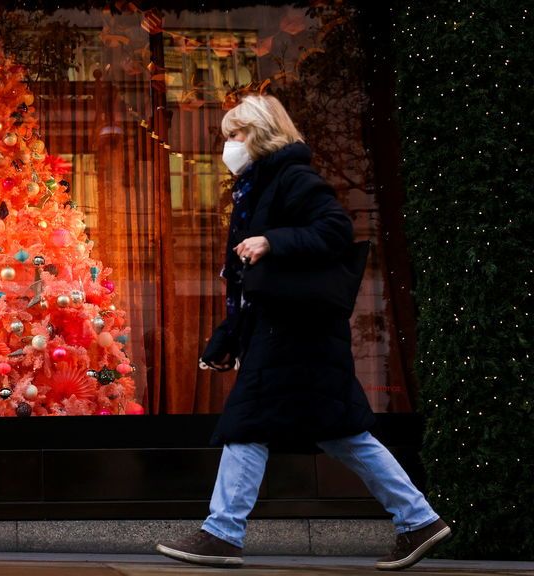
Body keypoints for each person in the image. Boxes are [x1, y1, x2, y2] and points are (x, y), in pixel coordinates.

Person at [154, 95, 451, 571]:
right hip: (292, 332)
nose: (228, 146)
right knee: (342, 432)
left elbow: (334, 230)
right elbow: (251, 283)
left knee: (246, 424)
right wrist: (227, 340)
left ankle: (222, 533)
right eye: (227, 136)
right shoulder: (257, 187)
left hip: (296, 333)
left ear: (262, 133)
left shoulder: (291, 178)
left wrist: (273, 239)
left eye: (237, 135)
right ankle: (418, 520)